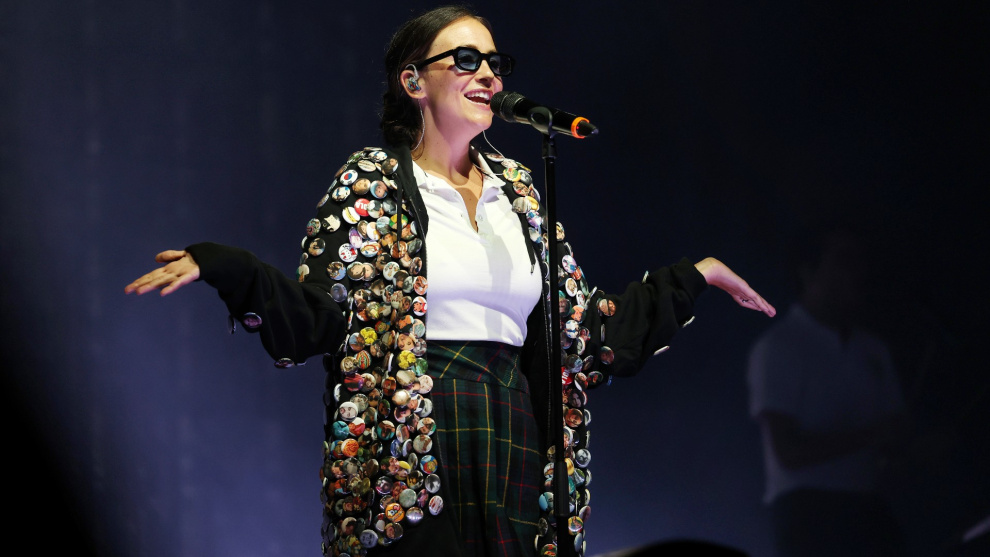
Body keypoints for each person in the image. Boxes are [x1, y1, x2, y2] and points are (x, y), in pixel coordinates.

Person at [125, 5, 774, 556]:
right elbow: (322, 315)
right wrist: (227, 267)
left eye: (495, 62)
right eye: (465, 60)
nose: (489, 74)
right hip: (416, 437)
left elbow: (583, 334)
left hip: (512, 433)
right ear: (413, 81)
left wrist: (693, 276)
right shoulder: (375, 183)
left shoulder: (518, 193)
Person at [747, 227, 907, 557]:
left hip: (868, 509)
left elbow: (893, 444)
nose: (858, 272)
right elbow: (788, 452)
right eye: (844, 261)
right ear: (808, 272)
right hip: (809, 516)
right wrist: (875, 436)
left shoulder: (873, 349)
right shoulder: (779, 347)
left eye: (860, 261)